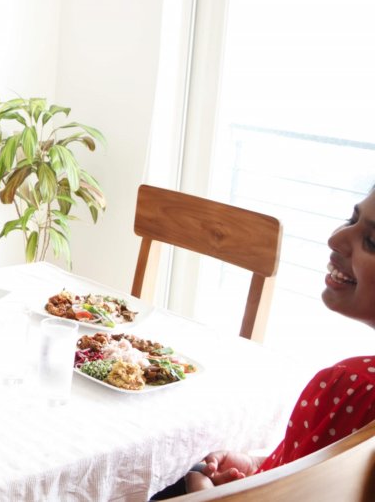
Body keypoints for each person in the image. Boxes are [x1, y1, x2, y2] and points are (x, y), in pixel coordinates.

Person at [152, 186, 375, 498]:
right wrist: (258, 465)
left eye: (372, 242)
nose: (336, 239)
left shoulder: (354, 386)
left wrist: (202, 493)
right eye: (351, 219)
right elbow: (311, 472)